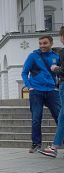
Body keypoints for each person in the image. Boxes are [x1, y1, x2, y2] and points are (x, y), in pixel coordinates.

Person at [21, 35, 61, 153]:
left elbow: (60, 72)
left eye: (45, 43)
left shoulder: (56, 57)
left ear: (51, 43)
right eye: (40, 43)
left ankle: (60, 142)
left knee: (60, 117)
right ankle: (36, 143)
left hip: (52, 91)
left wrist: (57, 86)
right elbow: (24, 72)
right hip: (36, 91)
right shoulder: (33, 56)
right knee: (36, 118)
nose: (42, 46)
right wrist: (30, 87)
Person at [40, 27, 64, 157]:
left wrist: (56, 68)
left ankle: (54, 147)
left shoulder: (62, 53)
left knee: (62, 117)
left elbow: (63, 71)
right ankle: (54, 147)